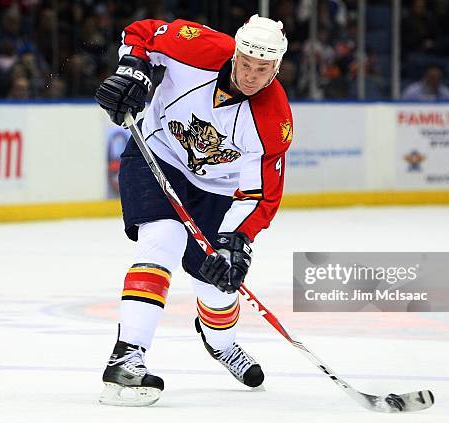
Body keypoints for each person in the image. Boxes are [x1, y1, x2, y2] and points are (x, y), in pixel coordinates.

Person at [94, 14, 293, 406]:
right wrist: (134, 68)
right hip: (157, 152)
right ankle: (127, 356)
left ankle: (221, 343)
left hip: (217, 190)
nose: (252, 76)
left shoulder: (274, 118)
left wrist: (236, 243)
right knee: (161, 240)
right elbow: (144, 33)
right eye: (246, 63)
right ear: (236, 52)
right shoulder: (198, 46)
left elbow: (261, 194)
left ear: (277, 67)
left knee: (217, 283)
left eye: (263, 69)